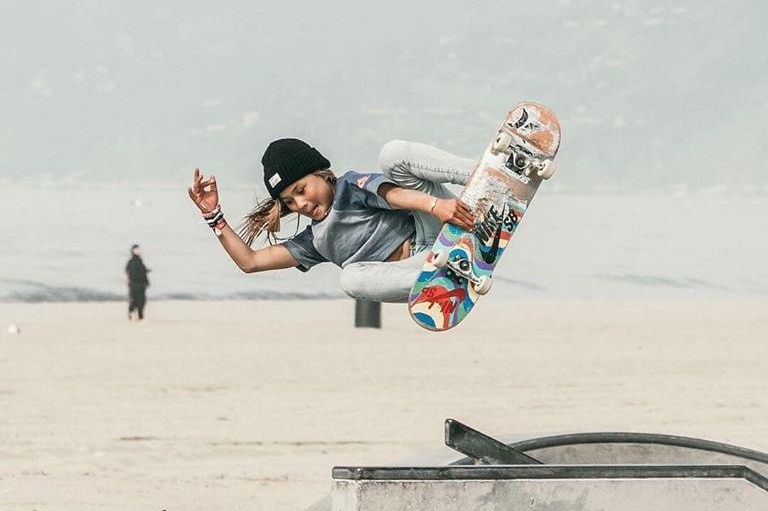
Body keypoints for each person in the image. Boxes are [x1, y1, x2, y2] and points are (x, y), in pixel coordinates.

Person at [187, 138, 476, 302]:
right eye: (289, 201)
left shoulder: (349, 186)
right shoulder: (315, 241)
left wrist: (437, 206)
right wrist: (214, 217)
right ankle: (446, 282)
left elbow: (395, 196)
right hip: (423, 268)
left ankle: (484, 175)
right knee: (349, 278)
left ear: (322, 174)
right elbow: (250, 262)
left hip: (436, 226)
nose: (300, 204)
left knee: (393, 155)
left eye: (301, 190)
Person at [125, 244, 150, 320]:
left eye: (139, 250)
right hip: (135, 284)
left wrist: (146, 279)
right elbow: (131, 272)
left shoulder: (139, 261)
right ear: (132, 251)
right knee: (136, 300)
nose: (138, 251)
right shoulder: (132, 261)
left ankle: (138, 315)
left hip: (139, 284)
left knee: (140, 301)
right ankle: (133, 314)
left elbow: (142, 272)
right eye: (136, 250)